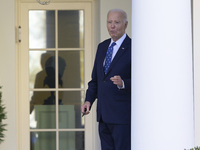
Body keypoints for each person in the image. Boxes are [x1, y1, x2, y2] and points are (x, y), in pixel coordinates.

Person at [81, 9, 131, 150]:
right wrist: (88, 100)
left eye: (116, 22)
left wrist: (123, 83)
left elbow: (143, 82)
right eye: (109, 22)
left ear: (126, 24)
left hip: (122, 117)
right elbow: (96, 80)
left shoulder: (133, 47)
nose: (112, 26)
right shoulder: (102, 47)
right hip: (103, 116)